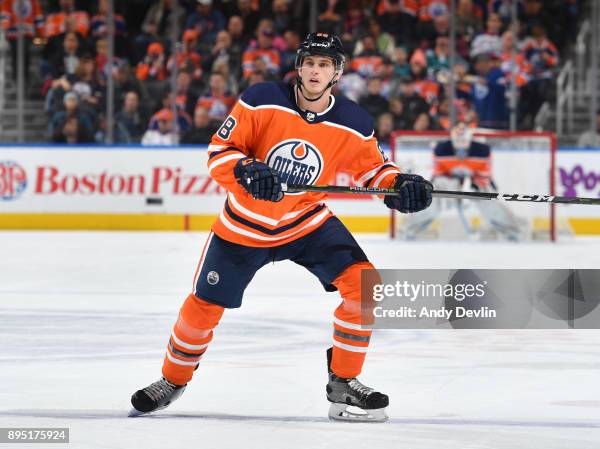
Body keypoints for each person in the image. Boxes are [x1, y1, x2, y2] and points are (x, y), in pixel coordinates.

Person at [130, 32, 432, 422]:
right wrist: (245, 168)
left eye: (324, 64)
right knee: (203, 308)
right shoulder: (261, 99)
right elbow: (220, 152)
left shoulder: (354, 122)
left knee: (363, 286)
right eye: (309, 62)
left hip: (306, 222)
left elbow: (374, 169)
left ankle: (344, 381)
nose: (315, 70)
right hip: (244, 226)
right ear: (299, 66)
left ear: (336, 72)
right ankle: (172, 380)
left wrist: (399, 186)